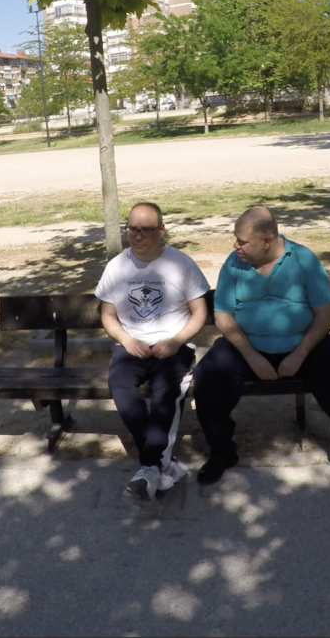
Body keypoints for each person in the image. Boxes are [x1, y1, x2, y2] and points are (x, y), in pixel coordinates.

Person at [193, 206, 330, 485]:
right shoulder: (234, 263)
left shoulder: (304, 260)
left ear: (266, 240)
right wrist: (252, 356)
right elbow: (223, 316)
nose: (235, 246)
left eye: (242, 241)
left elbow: (324, 314)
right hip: (247, 347)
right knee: (207, 375)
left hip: (302, 345)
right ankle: (221, 451)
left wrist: (299, 354)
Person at [96, 202, 210, 500]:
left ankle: (149, 467)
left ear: (161, 230)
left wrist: (176, 340)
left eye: (145, 230)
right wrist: (125, 338)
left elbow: (200, 312)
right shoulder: (116, 266)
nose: (138, 236)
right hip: (130, 346)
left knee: (165, 393)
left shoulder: (181, 264)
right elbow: (107, 315)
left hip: (172, 347)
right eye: (132, 229)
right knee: (120, 387)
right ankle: (161, 466)